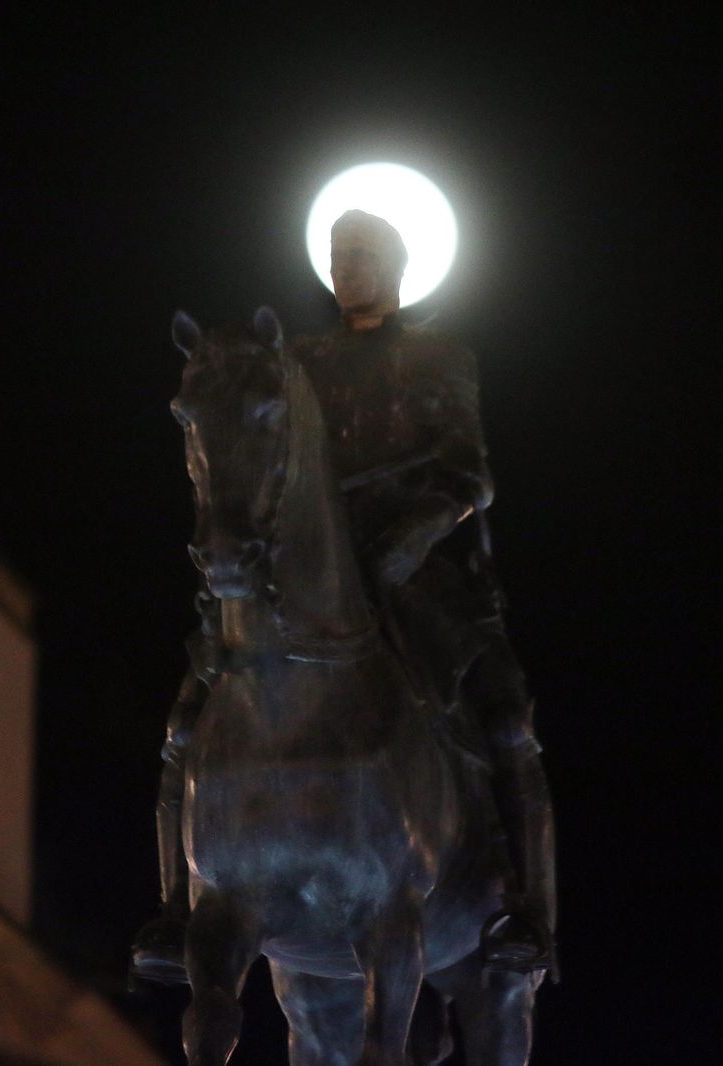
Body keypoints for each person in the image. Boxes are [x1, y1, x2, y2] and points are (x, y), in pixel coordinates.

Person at [132, 210, 556, 984]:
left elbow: (469, 474)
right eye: (336, 256)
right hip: (302, 567)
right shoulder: (297, 360)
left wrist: (414, 535)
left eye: (361, 254)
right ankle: (177, 907)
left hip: (408, 565)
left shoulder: (437, 357)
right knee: (188, 715)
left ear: (396, 264)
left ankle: (520, 908)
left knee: (507, 717)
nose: (347, 268)